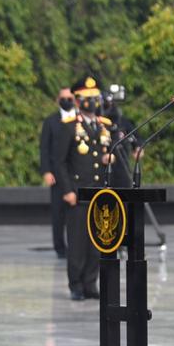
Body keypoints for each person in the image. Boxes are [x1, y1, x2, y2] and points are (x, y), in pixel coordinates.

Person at [54, 76, 114, 300]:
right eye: (87, 99)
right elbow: (59, 162)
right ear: (78, 101)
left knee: (95, 242)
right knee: (77, 242)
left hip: (98, 193)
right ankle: (76, 284)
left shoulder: (102, 127)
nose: (92, 103)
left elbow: (102, 157)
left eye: (95, 98)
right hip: (78, 193)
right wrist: (67, 190)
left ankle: (91, 282)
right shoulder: (69, 128)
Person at [38, 88, 75, 258]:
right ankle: (60, 248)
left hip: (76, 173)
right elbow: (44, 148)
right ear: (57, 99)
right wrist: (46, 171)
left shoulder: (80, 120)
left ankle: (78, 245)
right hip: (57, 174)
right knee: (58, 214)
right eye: (64, 98)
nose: (67, 100)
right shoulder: (51, 121)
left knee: (77, 214)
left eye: (70, 98)